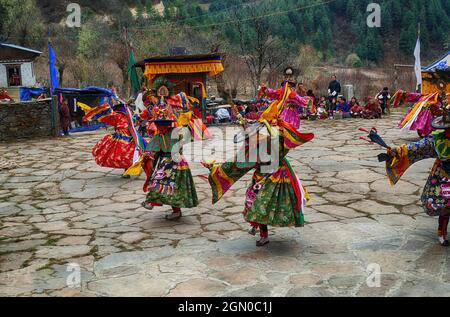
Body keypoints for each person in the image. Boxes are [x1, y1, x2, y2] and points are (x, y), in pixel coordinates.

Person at [202, 83, 314, 247]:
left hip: (277, 176)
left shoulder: (277, 141)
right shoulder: (253, 149)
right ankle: (262, 232)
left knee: (263, 204)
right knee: (253, 201)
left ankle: (261, 230)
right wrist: (214, 168)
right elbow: (234, 165)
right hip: (261, 177)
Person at [382, 92, 450, 246]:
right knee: (446, 204)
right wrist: (397, 151)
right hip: (444, 175)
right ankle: (442, 232)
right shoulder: (437, 139)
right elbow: (415, 148)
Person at [138, 104, 199, 221]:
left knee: (174, 188)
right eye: (158, 124)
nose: (160, 126)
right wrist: (148, 157)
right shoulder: (158, 136)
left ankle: (176, 211)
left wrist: (188, 122)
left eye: (163, 123)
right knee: (158, 183)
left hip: (177, 163)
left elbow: (189, 136)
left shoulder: (176, 132)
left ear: (168, 123)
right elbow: (152, 150)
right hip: (164, 163)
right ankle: (151, 201)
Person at [83, 100, 147, 178]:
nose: (130, 110)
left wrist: (148, 112)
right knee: (126, 155)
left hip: (129, 138)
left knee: (128, 155)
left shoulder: (125, 117)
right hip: (125, 138)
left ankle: (129, 171)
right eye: (129, 108)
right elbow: (110, 114)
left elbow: (137, 120)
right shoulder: (121, 116)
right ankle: (128, 171)